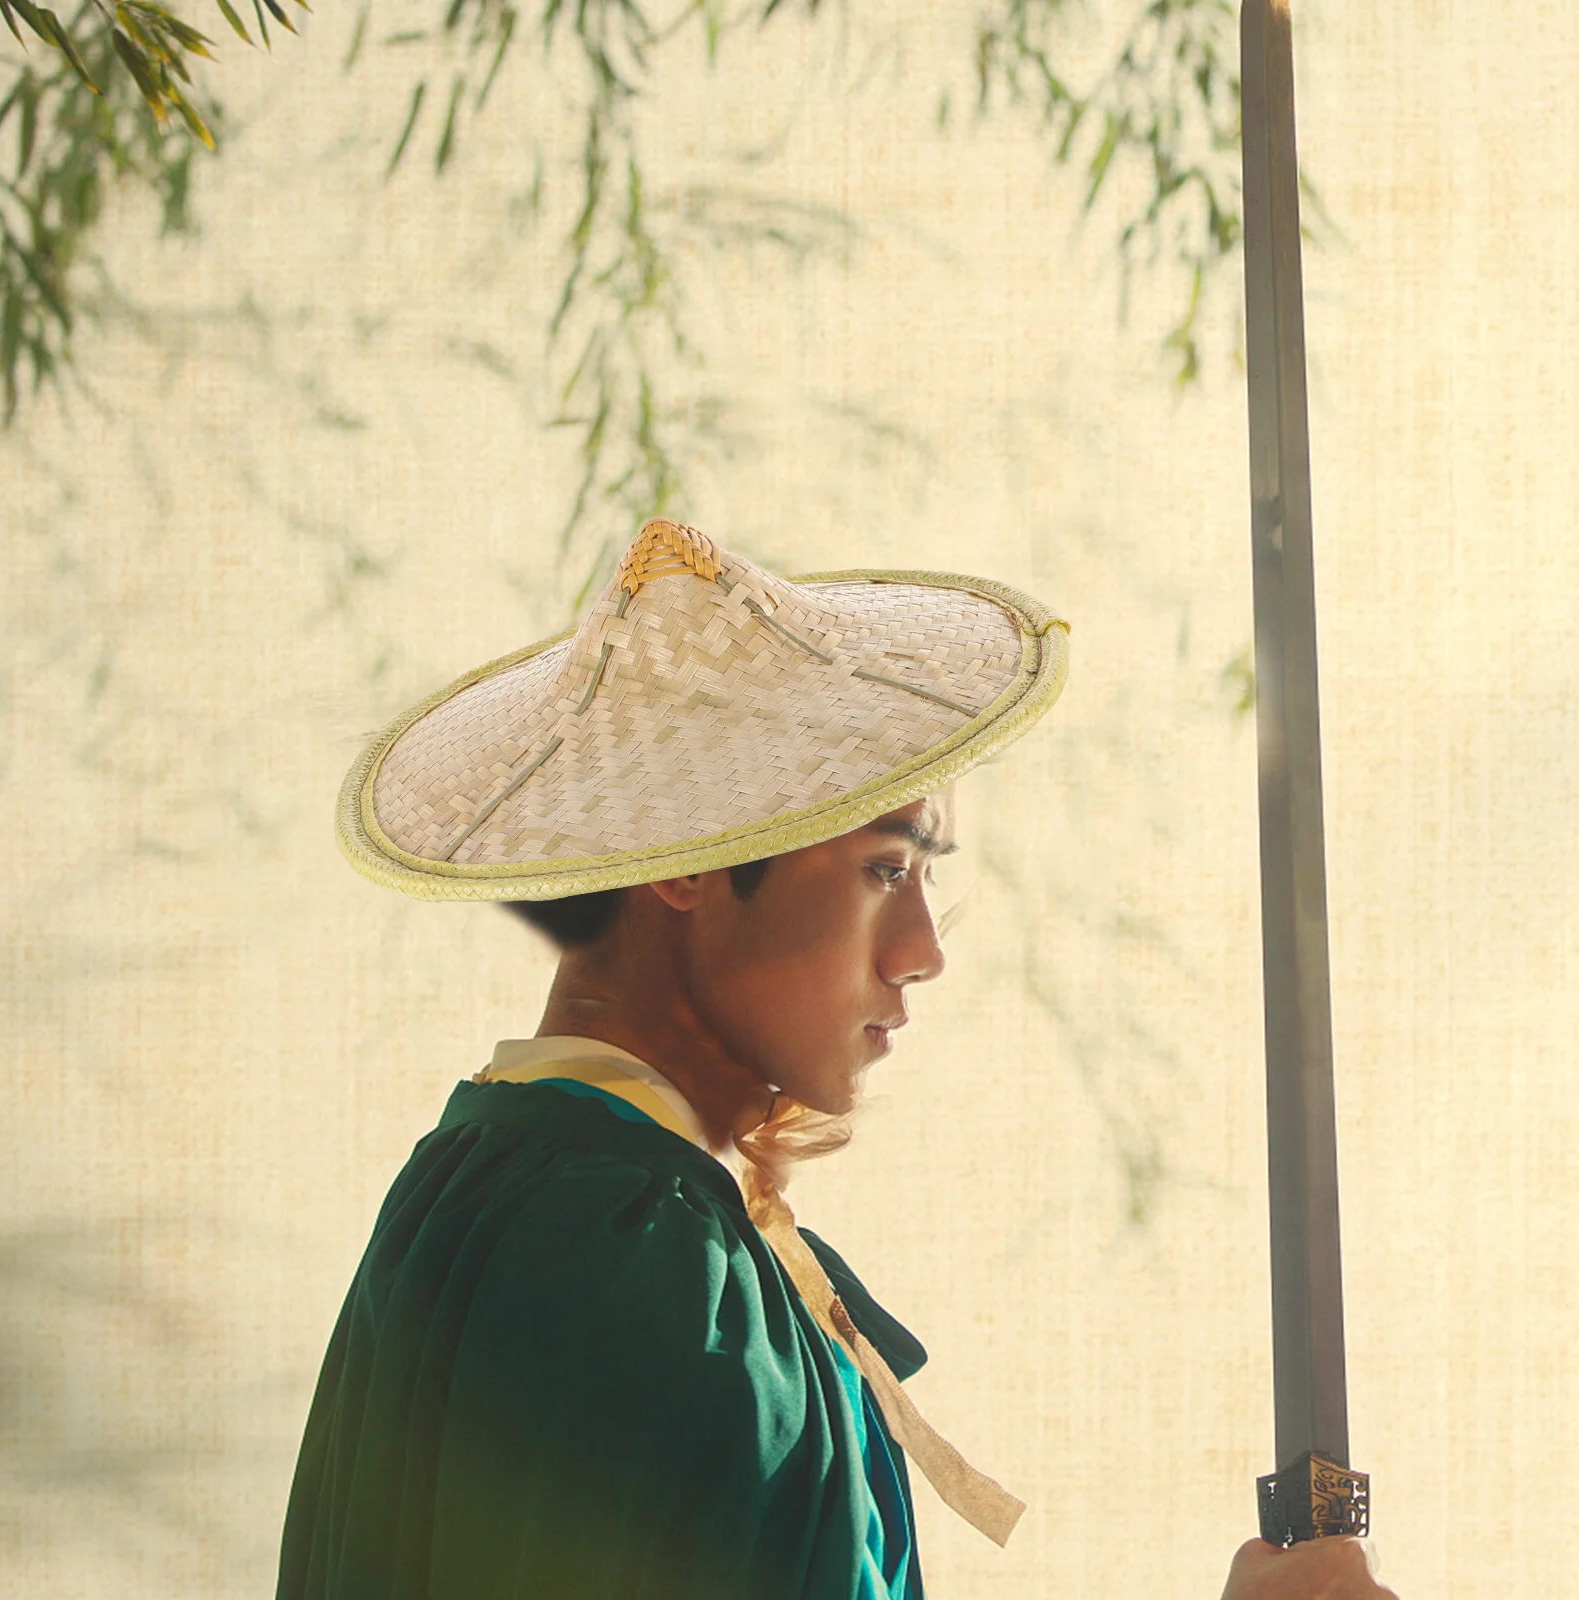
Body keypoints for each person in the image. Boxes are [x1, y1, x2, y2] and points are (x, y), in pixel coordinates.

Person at [279, 520, 1397, 1598]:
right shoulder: (626, 1258)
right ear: (691, 866)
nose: (919, 954)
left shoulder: (510, 1188)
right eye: (880, 873)